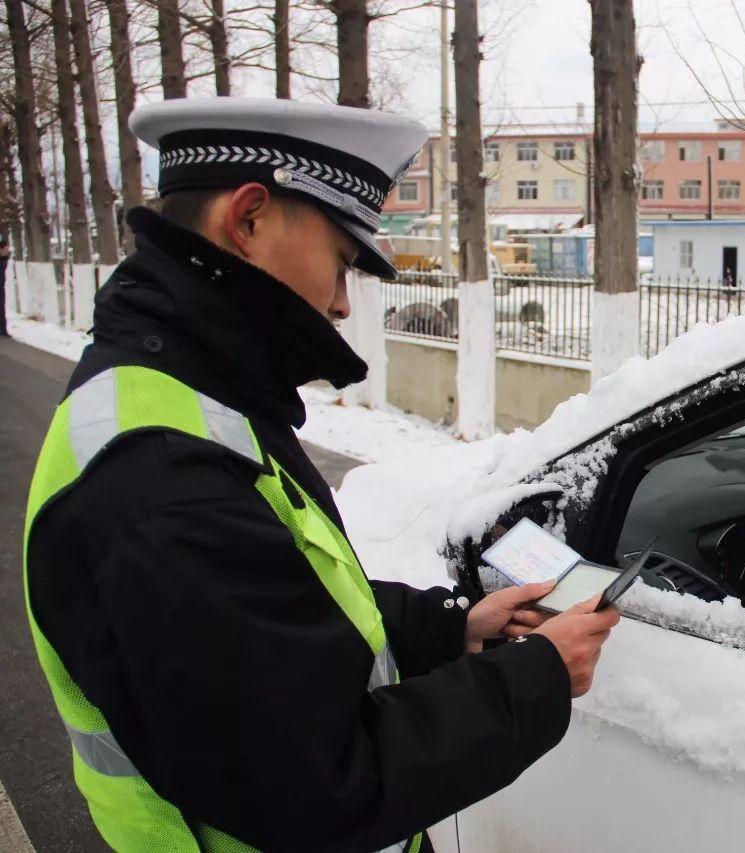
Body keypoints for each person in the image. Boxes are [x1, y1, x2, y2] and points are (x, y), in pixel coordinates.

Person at [22, 97, 618, 852]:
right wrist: (536, 678)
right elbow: (318, 784)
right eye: (341, 260)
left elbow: (276, 609)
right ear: (248, 218)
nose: (341, 303)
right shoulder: (163, 479)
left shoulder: (186, 394)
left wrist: (449, 628)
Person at [1, 234, 10, 336]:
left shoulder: (4, 259)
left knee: (2, 308)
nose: (6, 251)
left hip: (1, 286)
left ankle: (3, 330)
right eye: (5, 249)